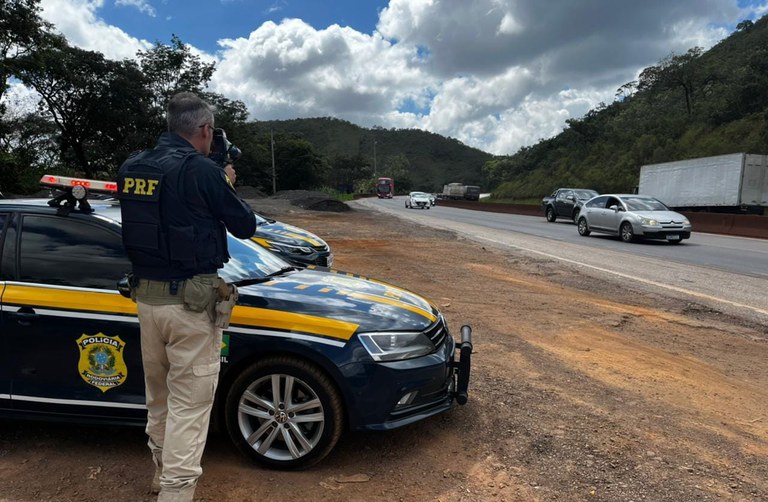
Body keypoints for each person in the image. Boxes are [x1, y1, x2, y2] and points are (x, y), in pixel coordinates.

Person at [116, 92, 256, 502]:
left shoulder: (132, 167)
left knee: (158, 399)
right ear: (205, 130)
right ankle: (175, 494)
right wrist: (224, 179)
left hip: (147, 302)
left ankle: (161, 473)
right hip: (191, 307)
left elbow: (165, 213)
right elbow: (245, 225)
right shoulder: (202, 171)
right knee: (189, 407)